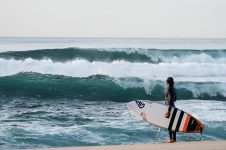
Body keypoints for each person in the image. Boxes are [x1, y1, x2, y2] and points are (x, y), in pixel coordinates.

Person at [165, 77, 177, 143]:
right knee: (173, 124)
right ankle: (174, 139)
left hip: (170, 108)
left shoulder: (169, 89)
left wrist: (168, 111)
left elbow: (170, 100)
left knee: (169, 125)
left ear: (167, 82)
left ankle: (171, 139)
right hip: (173, 107)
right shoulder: (174, 89)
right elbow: (175, 99)